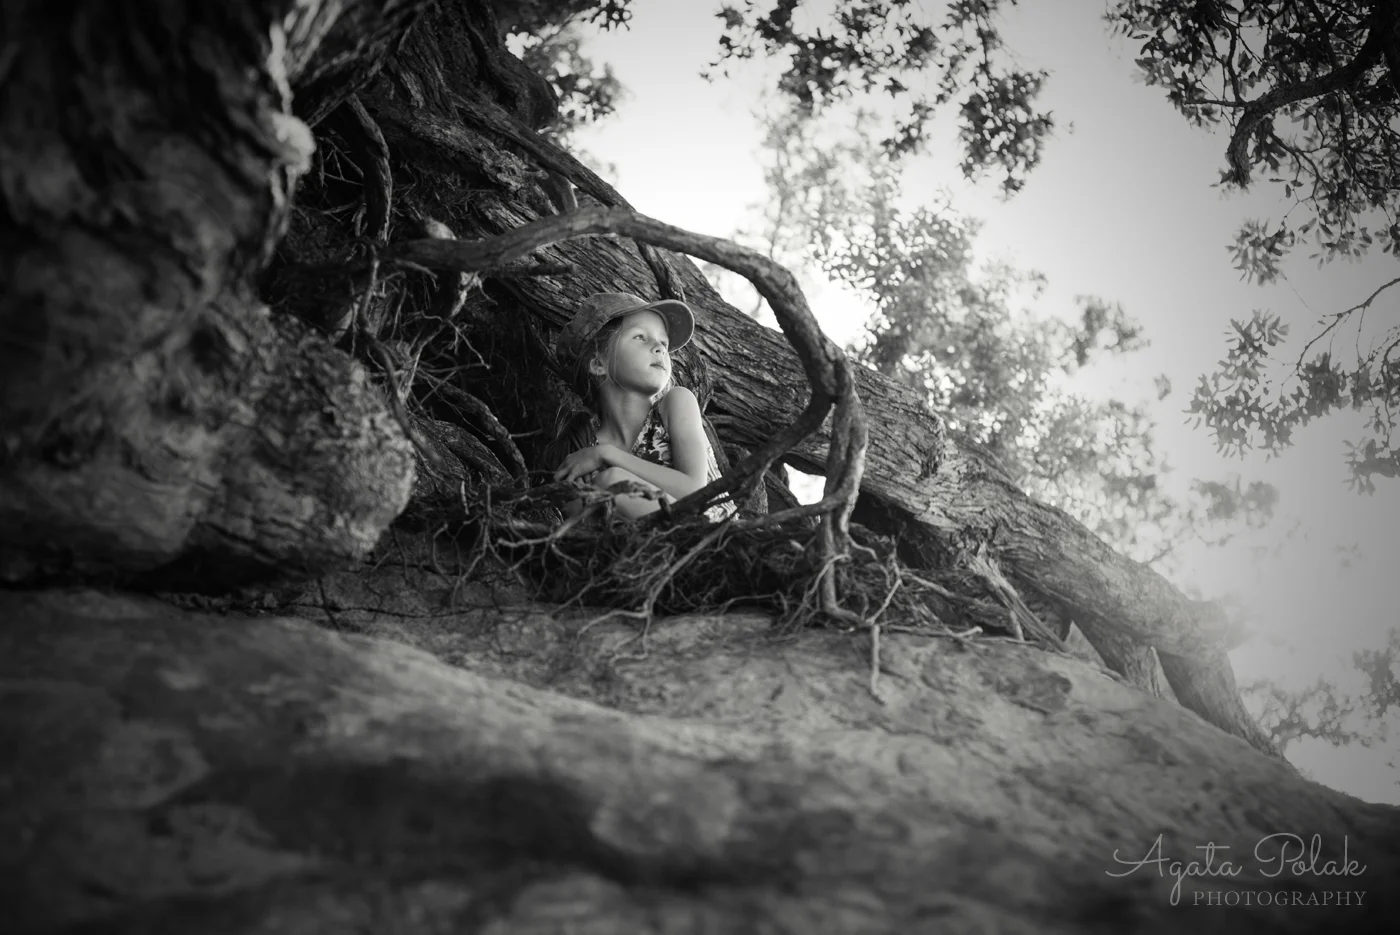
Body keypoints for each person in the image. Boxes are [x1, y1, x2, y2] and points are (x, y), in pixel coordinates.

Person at [546, 292, 737, 522]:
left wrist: (607, 455)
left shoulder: (676, 402)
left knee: (612, 483)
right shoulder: (586, 451)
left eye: (664, 342)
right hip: (655, 542)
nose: (660, 348)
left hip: (716, 536)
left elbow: (694, 490)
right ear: (598, 363)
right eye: (640, 337)